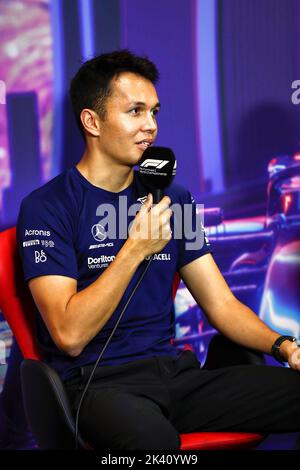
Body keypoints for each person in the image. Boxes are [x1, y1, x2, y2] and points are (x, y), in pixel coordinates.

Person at [16, 50, 300, 451]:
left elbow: (221, 306)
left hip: (174, 377)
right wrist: (135, 248)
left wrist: (286, 346)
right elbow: (70, 335)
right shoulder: (48, 207)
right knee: (153, 443)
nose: (150, 126)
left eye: (154, 112)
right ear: (92, 121)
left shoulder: (172, 199)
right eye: (135, 111)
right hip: (100, 387)